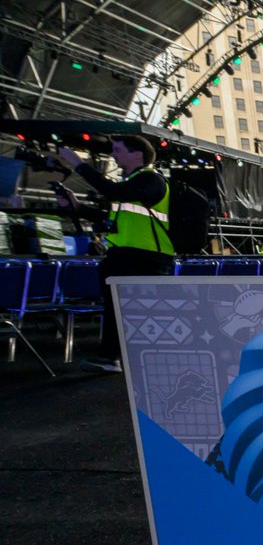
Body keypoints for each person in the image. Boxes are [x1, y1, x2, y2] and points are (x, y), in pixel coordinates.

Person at [54, 136, 175, 374]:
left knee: (131, 310)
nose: (113, 155)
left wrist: (78, 164)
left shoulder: (149, 179)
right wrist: (78, 208)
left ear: (138, 154)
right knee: (117, 309)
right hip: (127, 255)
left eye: (118, 150)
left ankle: (126, 359)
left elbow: (111, 191)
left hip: (145, 256)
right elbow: (111, 221)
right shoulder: (132, 183)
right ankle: (111, 357)